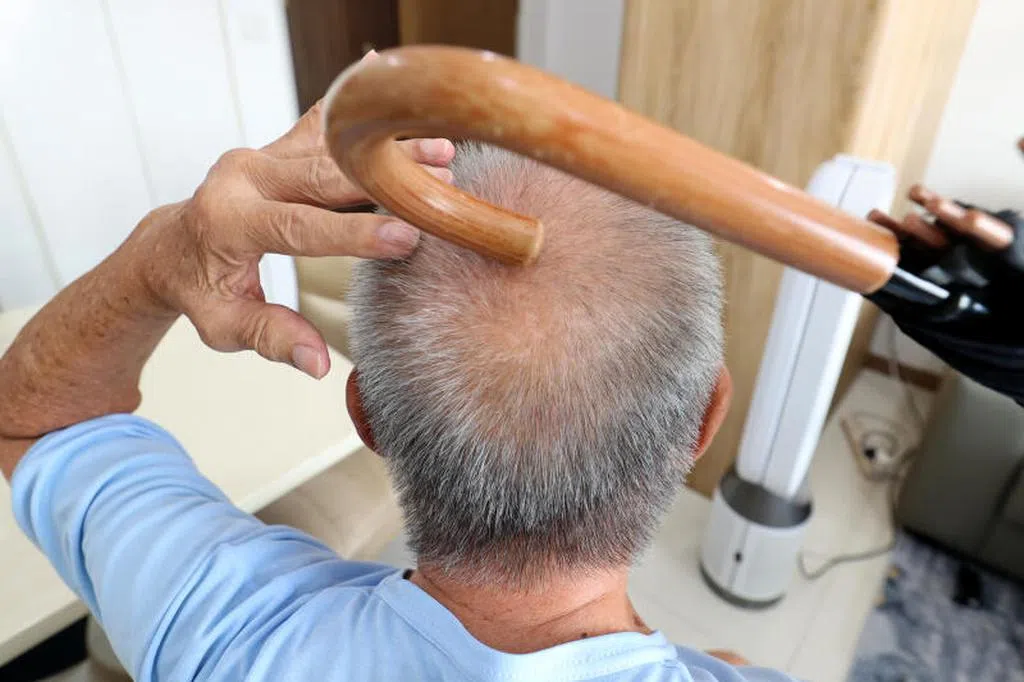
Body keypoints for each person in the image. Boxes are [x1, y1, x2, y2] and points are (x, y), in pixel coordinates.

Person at [0, 88, 797, 679]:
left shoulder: (235, 634)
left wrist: (162, 252)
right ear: (706, 418)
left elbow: (30, 419)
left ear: (368, 417)